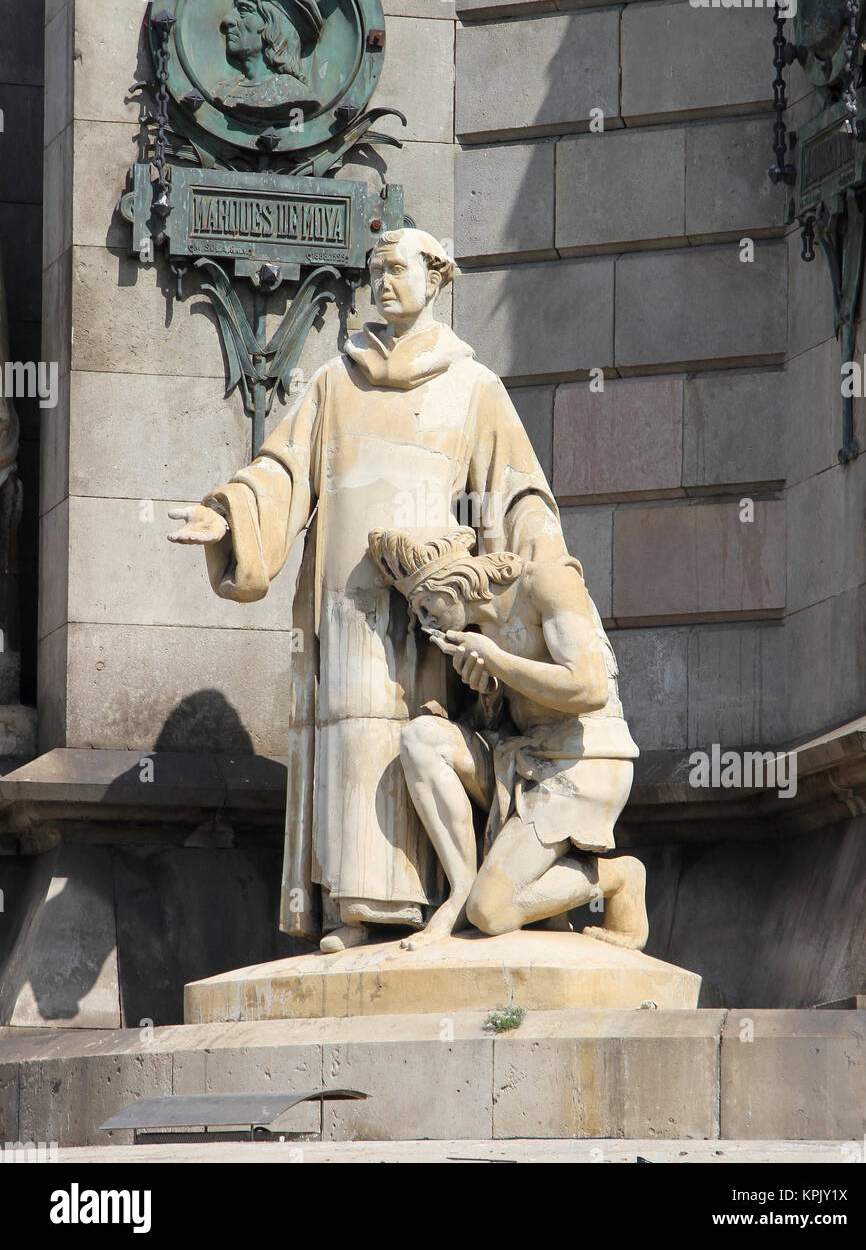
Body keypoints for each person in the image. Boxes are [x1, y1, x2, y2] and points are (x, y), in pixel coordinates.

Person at [168, 228, 570, 952]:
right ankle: (353, 908)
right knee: (350, 732)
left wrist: (540, 563)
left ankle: (417, 901)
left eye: (398, 269)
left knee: (409, 729)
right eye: (375, 270)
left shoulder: (473, 386)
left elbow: (514, 493)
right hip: (342, 596)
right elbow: (284, 470)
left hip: (425, 598)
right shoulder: (334, 380)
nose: (383, 282)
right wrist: (229, 513)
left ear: (436, 278)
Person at [368, 526, 647, 952]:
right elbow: (507, 716)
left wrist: (497, 660)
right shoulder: (483, 630)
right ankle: (461, 887)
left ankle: (618, 877)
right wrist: (488, 695)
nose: (425, 621)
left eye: (426, 604)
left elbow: (589, 689)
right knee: (422, 738)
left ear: (456, 582)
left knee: (492, 912)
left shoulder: (548, 583)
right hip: (524, 759)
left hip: (587, 761)